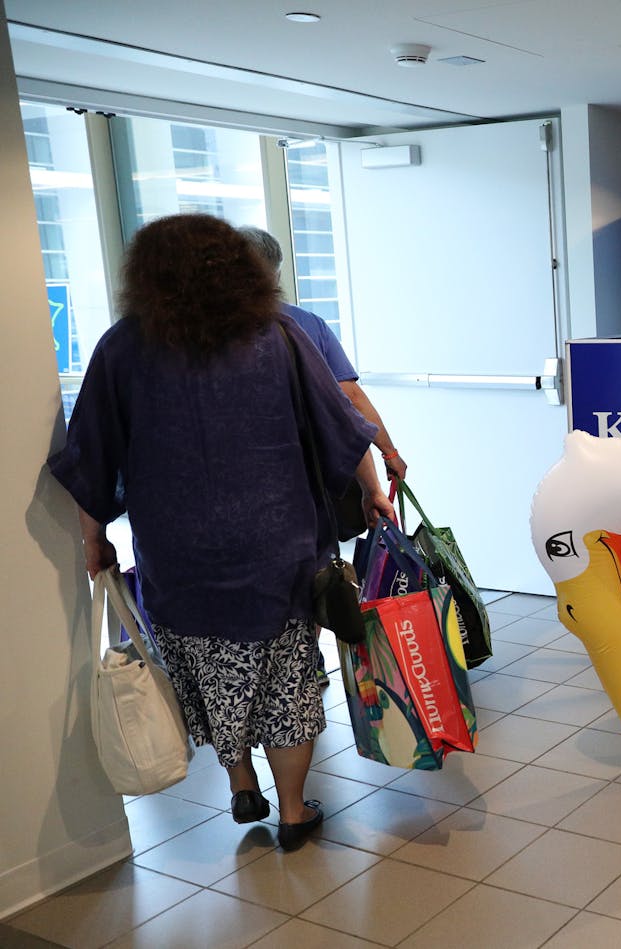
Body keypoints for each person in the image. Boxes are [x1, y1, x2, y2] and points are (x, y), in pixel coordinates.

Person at [48, 213, 396, 851]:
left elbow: (92, 451)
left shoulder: (122, 347)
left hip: (178, 555)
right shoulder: (282, 335)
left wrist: (92, 535)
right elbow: (338, 424)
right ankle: (293, 812)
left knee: (210, 674)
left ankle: (241, 784)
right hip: (281, 545)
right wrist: (373, 488)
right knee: (287, 676)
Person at [237, 226, 407, 481]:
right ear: (276, 275)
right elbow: (350, 399)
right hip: (309, 473)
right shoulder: (307, 324)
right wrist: (389, 454)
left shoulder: (203, 334)